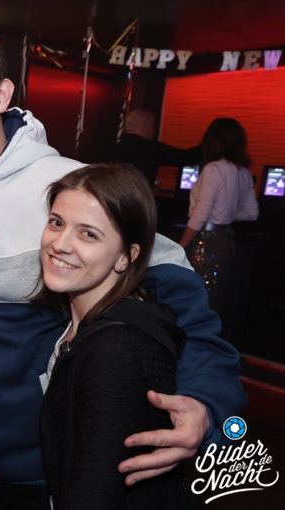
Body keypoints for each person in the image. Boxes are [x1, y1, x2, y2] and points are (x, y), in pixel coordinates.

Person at [0, 26, 246, 509]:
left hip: (47, 468)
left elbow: (177, 290)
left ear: (2, 94)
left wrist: (207, 401)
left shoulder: (69, 188)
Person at [36, 164, 194, 509]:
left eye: (88, 234)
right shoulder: (86, 321)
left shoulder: (113, 350)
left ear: (126, 257)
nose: (59, 244)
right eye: (57, 223)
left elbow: (94, 496)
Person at [179, 118, 259, 313]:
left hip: (206, 241)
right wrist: (224, 214)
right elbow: (252, 213)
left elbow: (201, 214)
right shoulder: (243, 171)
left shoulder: (214, 168)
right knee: (211, 299)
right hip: (226, 239)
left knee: (195, 298)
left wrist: (179, 247)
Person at [105, 108, 201, 186]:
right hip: (138, 201)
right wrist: (207, 143)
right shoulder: (151, 148)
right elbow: (187, 158)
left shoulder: (110, 150)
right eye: (153, 125)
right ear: (144, 126)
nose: (154, 130)